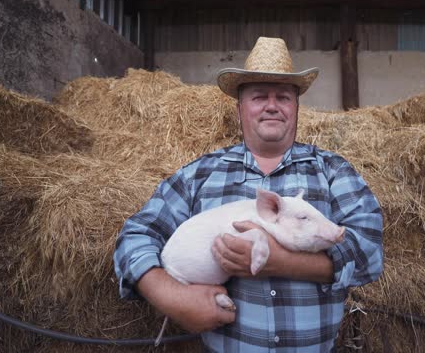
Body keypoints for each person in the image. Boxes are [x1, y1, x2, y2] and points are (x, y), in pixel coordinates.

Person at [113, 36, 383, 352]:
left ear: (296, 107)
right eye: (259, 97)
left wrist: (280, 261)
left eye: (283, 97)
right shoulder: (200, 174)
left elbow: (370, 251)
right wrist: (173, 297)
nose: (272, 105)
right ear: (240, 107)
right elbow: (135, 234)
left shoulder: (333, 171)